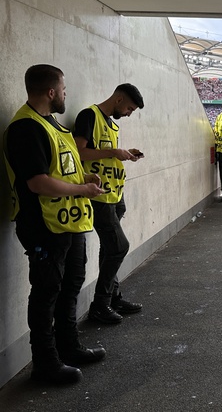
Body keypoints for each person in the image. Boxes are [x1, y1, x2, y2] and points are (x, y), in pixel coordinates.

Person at [4, 64, 106, 384]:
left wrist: (83, 178)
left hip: (68, 225)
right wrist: (84, 190)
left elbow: (59, 171)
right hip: (43, 228)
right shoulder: (25, 128)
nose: (65, 94)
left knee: (70, 285)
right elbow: (38, 183)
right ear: (51, 92)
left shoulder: (50, 123)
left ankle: (68, 346)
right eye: (63, 89)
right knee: (46, 292)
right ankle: (45, 363)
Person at [74, 83, 145, 324]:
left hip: (114, 194)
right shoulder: (89, 116)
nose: (129, 113)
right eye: (129, 108)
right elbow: (79, 152)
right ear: (118, 99)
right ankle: (101, 304)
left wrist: (124, 153)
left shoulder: (111, 123)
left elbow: (106, 152)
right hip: (98, 196)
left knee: (110, 247)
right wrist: (114, 152)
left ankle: (113, 297)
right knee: (118, 247)